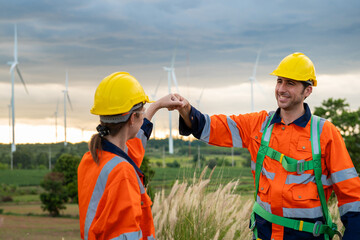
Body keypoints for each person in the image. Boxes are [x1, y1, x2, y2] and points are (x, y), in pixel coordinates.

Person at [176, 52, 360, 239]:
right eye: (279, 81)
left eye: (290, 83)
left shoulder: (325, 133)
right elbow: (211, 127)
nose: (281, 88)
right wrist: (186, 110)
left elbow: (351, 196)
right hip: (264, 235)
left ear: (308, 91)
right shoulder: (259, 125)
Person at [77, 72, 183, 240]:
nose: (143, 115)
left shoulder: (92, 158)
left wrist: (155, 107)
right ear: (133, 118)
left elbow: (133, 147)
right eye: (142, 112)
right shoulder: (122, 172)